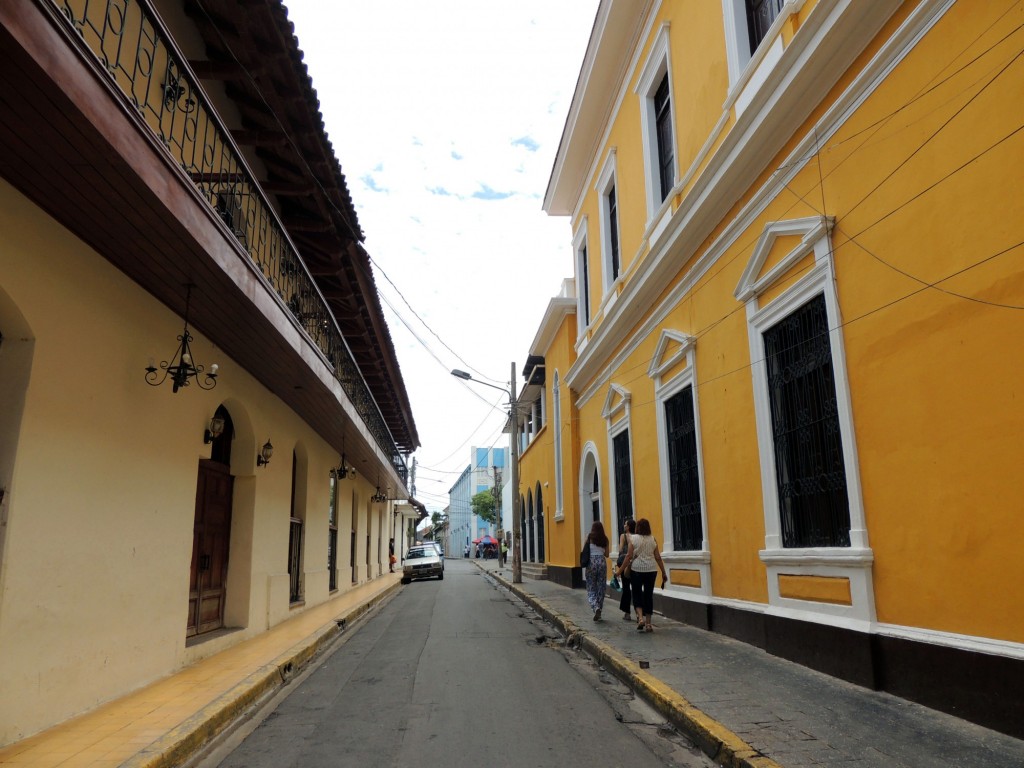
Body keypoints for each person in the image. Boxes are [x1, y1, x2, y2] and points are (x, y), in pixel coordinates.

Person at [620, 517, 668, 633]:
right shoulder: (653, 539)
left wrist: (620, 570)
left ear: (637, 527)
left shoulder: (633, 538)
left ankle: (640, 618)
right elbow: (657, 557)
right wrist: (663, 572)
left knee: (637, 594)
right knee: (648, 596)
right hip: (651, 570)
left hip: (636, 570)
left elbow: (628, 556)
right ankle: (649, 624)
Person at [583, 520, 610, 621]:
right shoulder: (605, 539)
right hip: (602, 563)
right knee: (601, 587)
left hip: (591, 563)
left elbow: (584, 550)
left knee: (591, 587)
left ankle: (595, 606)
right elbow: (607, 554)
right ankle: (599, 608)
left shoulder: (589, 537)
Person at [613, 519, 637, 622]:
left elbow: (621, 550)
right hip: (635, 564)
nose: (624, 525)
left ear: (628, 527)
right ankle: (639, 614)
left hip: (625, 564)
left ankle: (627, 613)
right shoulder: (637, 537)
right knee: (636, 588)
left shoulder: (623, 536)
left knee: (626, 588)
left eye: (625, 524)